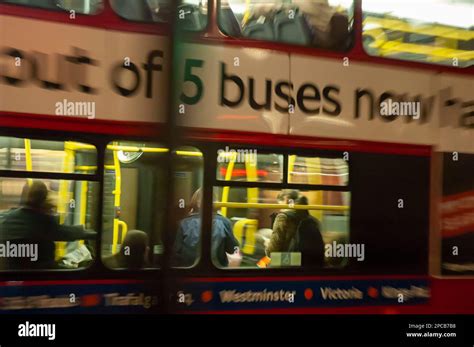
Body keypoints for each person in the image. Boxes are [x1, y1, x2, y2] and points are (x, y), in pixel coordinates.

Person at [0, 181, 96, 269]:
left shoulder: (9, 217)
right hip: (41, 272)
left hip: (13, 271)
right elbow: (64, 233)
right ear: (43, 198)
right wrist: (86, 232)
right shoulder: (40, 220)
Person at [172, 188, 239, 268]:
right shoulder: (224, 222)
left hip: (188, 271)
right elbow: (233, 249)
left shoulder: (183, 223)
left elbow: (176, 251)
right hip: (216, 271)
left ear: (197, 203)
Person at [266, 190, 325, 266]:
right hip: (312, 264)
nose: (280, 209)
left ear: (287, 200)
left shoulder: (283, 217)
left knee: (264, 263)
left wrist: (267, 245)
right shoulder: (313, 220)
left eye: (280, 205)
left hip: (292, 262)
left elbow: (272, 250)